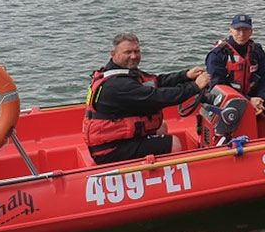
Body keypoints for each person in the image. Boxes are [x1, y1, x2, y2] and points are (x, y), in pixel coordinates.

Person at [83, 33, 210, 164]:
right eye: (128, 52)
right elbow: (157, 97)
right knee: (174, 143)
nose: (133, 56)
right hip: (109, 150)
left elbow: (156, 81)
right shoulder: (117, 85)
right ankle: (171, 177)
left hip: (114, 141)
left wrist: (185, 75)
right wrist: (195, 87)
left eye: (136, 51)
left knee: (162, 126)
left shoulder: (121, 73)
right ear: (113, 54)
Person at [205, 14, 265, 115]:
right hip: (227, 100)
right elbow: (217, 86)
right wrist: (248, 100)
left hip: (255, 99)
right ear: (230, 31)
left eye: (246, 30)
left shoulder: (256, 51)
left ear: (251, 32)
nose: (242, 34)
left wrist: (261, 99)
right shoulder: (218, 54)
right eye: (238, 30)